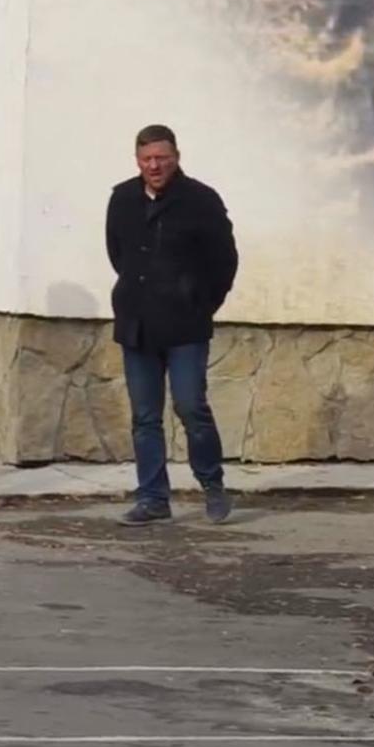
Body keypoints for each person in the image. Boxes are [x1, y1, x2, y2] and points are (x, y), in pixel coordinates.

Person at [105, 124, 239, 526]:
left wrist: (199, 301)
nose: (154, 165)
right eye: (147, 159)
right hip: (137, 325)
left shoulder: (201, 200)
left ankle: (212, 487)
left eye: (161, 157)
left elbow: (225, 262)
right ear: (137, 161)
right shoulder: (123, 198)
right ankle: (152, 498)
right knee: (145, 416)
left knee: (191, 407)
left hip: (186, 325)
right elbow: (117, 253)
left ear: (176, 157)